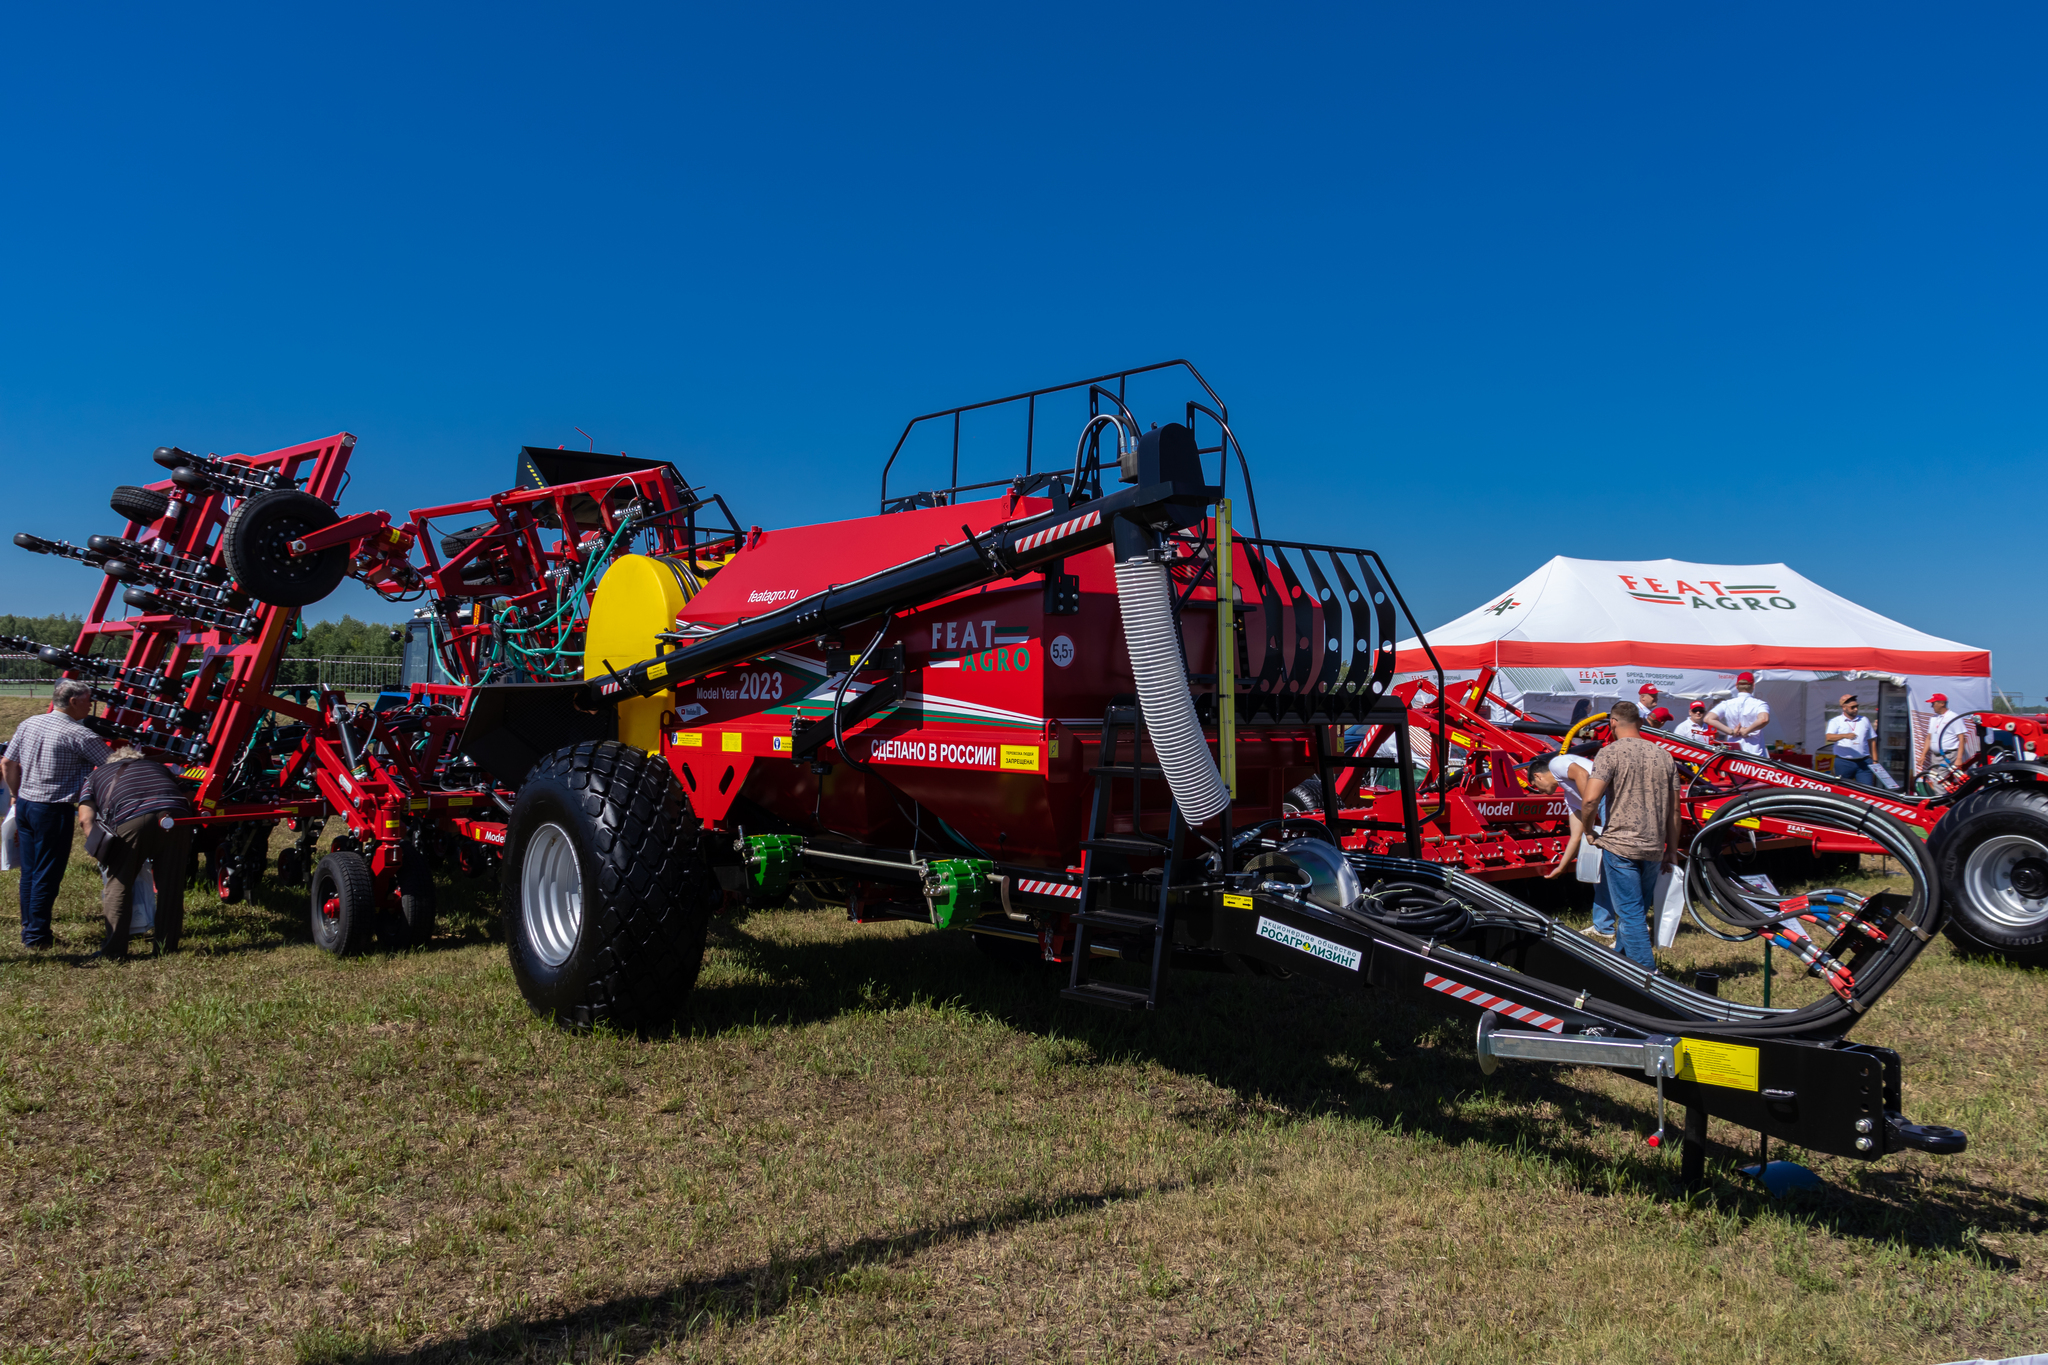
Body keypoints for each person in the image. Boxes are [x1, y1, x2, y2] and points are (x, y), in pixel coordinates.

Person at [1, 680, 109, 949]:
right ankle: (37, 936)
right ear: (73, 702)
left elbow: (7, 762)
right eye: (88, 700)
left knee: (30, 871)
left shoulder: (30, 723)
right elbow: (111, 767)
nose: (91, 705)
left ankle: (31, 929)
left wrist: (16, 793)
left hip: (25, 805)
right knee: (47, 874)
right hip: (53, 810)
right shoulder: (81, 735)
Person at [1575, 701, 1682, 969]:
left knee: (1631, 915)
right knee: (1635, 911)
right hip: (1654, 847)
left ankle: (1649, 980)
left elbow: (1589, 801)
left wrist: (1588, 831)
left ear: (1612, 722)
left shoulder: (1609, 753)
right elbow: (1675, 811)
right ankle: (1620, 967)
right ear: (1641, 723)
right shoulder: (1664, 756)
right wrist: (1671, 848)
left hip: (1620, 846)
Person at [77, 746, 194, 960]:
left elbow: (85, 818)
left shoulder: (94, 775)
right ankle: (166, 948)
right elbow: (188, 794)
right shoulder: (158, 767)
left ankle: (114, 951)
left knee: (119, 883)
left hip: (131, 817)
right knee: (171, 885)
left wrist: (101, 850)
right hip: (176, 815)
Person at [1526, 750, 1629, 945]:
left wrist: (1589, 805)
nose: (1539, 791)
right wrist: (1562, 867)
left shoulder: (1557, 764)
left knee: (1618, 866)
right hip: (1603, 800)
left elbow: (1583, 775)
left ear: (1538, 776)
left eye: (1535, 786)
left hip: (1612, 796)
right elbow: (1575, 836)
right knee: (1605, 869)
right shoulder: (1569, 796)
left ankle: (1627, 933)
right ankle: (1603, 927)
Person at [1917, 693, 1974, 790]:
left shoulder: (1953, 717)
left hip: (1948, 755)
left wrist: (1959, 758)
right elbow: (1929, 737)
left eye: (1933, 703)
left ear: (1941, 704)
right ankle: (1942, 800)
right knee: (1936, 780)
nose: (1932, 706)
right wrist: (1923, 755)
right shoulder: (1934, 718)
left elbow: (1962, 739)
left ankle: (1941, 803)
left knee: (1940, 782)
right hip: (1935, 755)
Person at [1707, 671, 1771, 756]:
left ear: (1736, 686)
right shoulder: (1759, 704)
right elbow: (1764, 719)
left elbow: (1708, 718)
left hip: (1734, 752)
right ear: (1753, 686)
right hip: (1754, 754)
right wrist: (1747, 731)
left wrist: (1731, 731)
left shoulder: (1726, 704)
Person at [1824, 694, 1879, 785]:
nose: (1856, 709)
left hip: (1864, 761)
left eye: (1857, 706)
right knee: (1843, 789)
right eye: (1852, 707)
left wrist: (1875, 760)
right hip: (1844, 762)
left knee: (1867, 789)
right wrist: (1844, 735)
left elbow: (1871, 740)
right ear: (1844, 707)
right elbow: (1829, 737)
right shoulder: (1836, 721)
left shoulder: (1864, 720)